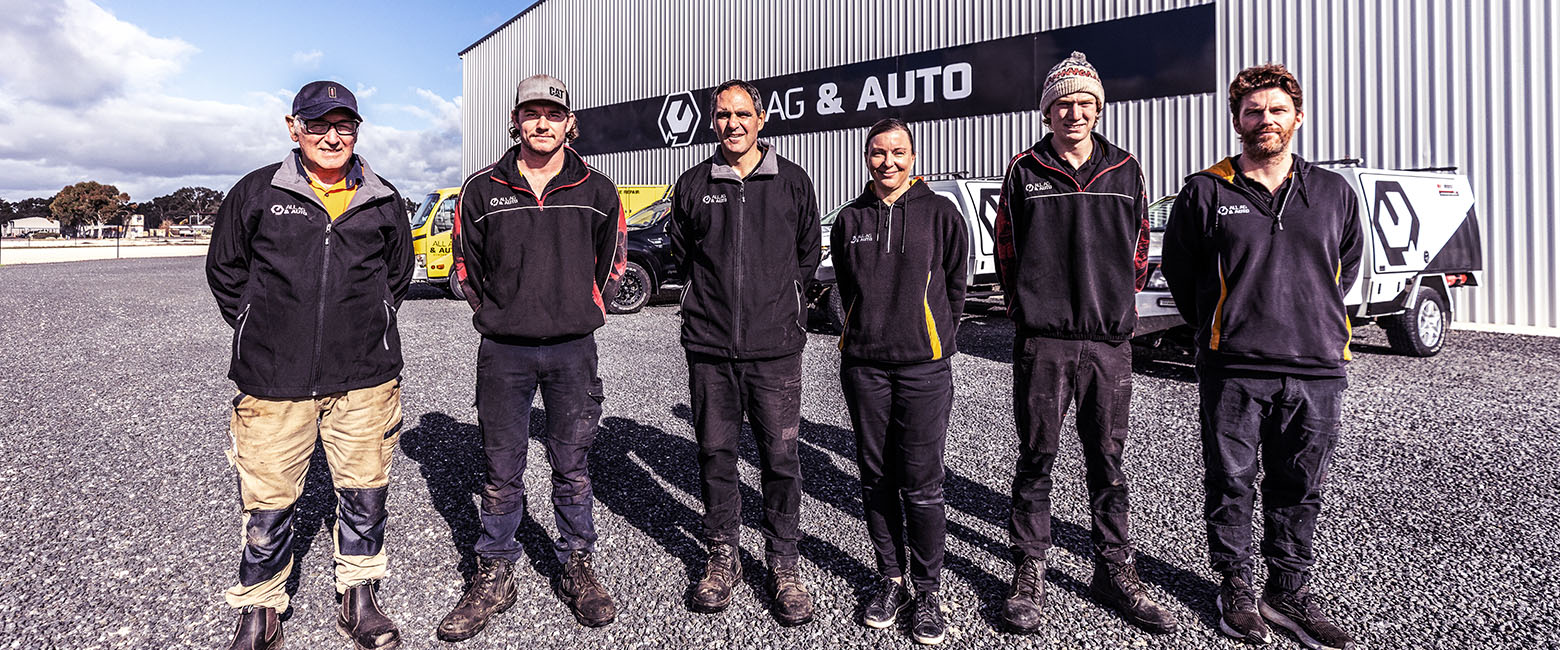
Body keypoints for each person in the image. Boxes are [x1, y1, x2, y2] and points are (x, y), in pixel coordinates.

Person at [1160, 63, 1361, 650]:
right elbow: (1182, 274)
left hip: (1317, 366)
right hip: (1234, 367)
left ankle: (1289, 590)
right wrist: (1226, 325)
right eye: (1252, 112)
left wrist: (1306, 317)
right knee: (1232, 481)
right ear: (1237, 121)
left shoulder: (1332, 193)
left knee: (1299, 482)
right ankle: (1237, 586)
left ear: (1298, 119)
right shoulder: (1206, 190)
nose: (1264, 120)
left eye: (1276, 110)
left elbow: (1342, 271)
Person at [206, 80, 411, 650]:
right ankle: (260, 608)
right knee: (267, 500)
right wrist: (258, 321)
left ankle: (359, 598)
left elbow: (396, 276)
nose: (331, 136)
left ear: (357, 131)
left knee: (365, 490)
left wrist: (370, 321)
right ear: (293, 127)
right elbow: (225, 269)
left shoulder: (384, 198)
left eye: (343, 125)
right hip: (274, 380)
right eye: (318, 124)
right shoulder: (256, 191)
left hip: (365, 379)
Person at [437, 74, 627, 640]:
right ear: (515, 121)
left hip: (573, 349)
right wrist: (500, 312)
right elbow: (466, 266)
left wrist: (582, 304)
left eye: (553, 114)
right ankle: (495, 571)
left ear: (570, 123)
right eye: (531, 113)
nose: (541, 123)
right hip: (504, 351)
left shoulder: (598, 190)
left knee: (572, 464)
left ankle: (577, 566)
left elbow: (612, 265)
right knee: (501, 469)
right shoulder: (481, 189)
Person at [994, 52, 1177, 635]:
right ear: (1046, 111)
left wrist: (1117, 307)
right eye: (1062, 103)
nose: (1073, 112)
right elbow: (1006, 253)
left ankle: (1113, 566)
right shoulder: (1025, 170)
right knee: (1037, 458)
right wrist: (1029, 312)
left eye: (1084, 103)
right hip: (1044, 342)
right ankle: (1028, 565)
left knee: (1108, 460)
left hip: (1106, 344)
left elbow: (1140, 248)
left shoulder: (1126, 169)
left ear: (1098, 109)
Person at [667, 79, 822, 626]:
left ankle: (783, 560)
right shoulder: (692, 185)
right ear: (714, 122)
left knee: (781, 458)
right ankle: (721, 553)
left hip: (776, 350)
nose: (733, 124)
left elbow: (808, 254)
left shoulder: (793, 184)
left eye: (743, 114)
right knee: (716, 453)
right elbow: (684, 257)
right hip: (710, 348)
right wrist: (707, 304)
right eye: (723, 115)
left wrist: (787, 306)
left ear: (761, 119)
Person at [831, 118, 967, 645]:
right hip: (864, 368)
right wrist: (863, 330)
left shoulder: (940, 213)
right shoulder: (851, 219)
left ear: (913, 156)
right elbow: (845, 285)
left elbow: (956, 284)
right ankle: (891, 578)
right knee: (876, 477)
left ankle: (929, 590)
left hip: (924, 368)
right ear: (866, 157)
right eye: (878, 153)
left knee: (923, 482)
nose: (889, 162)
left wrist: (931, 333)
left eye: (899, 152)